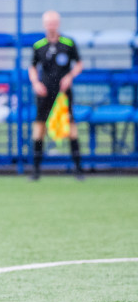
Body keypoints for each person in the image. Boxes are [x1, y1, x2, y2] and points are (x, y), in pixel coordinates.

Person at [27, 10, 85, 181]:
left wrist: (70, 76)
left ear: (58, 24)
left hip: (63, 94)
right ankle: (36, 171)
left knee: (71, 129)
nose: (51, 26)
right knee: (39, 129)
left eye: (53, 23)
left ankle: (78, 170)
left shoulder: (68, 43)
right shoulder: (38, 46)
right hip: (45, 93)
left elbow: (79, 64)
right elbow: (32, 67)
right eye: (48, 23)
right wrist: (35, 83)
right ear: (44, 25)